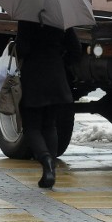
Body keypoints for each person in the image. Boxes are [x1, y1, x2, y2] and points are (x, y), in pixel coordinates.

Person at [16, 21, 81, 188]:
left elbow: (22, 49)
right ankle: (50, 172)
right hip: (56, 77)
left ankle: (46, 161)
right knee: (50, 125)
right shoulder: (62, 19)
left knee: (31, 127)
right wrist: (60, 59)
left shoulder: (27, 19)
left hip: (33, 78)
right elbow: (76, 51)